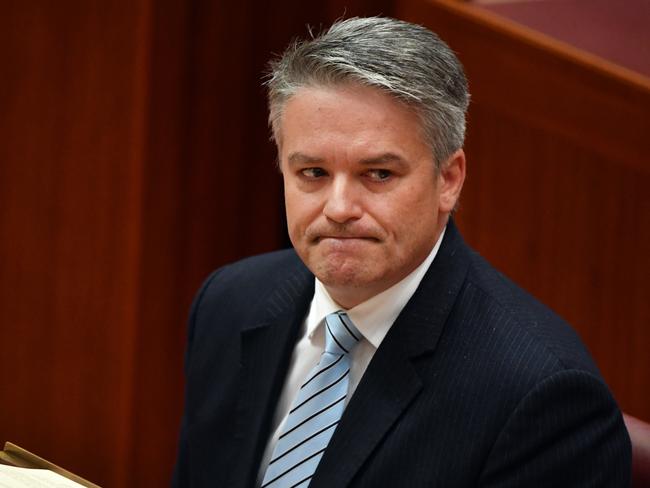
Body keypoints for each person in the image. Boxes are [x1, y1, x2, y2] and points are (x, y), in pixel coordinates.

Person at [172, 17, 631, 487]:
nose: (339, 208)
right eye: (312, 172)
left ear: (448, 180)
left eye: (379, 174)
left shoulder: (543, 396)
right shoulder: (228, 304)